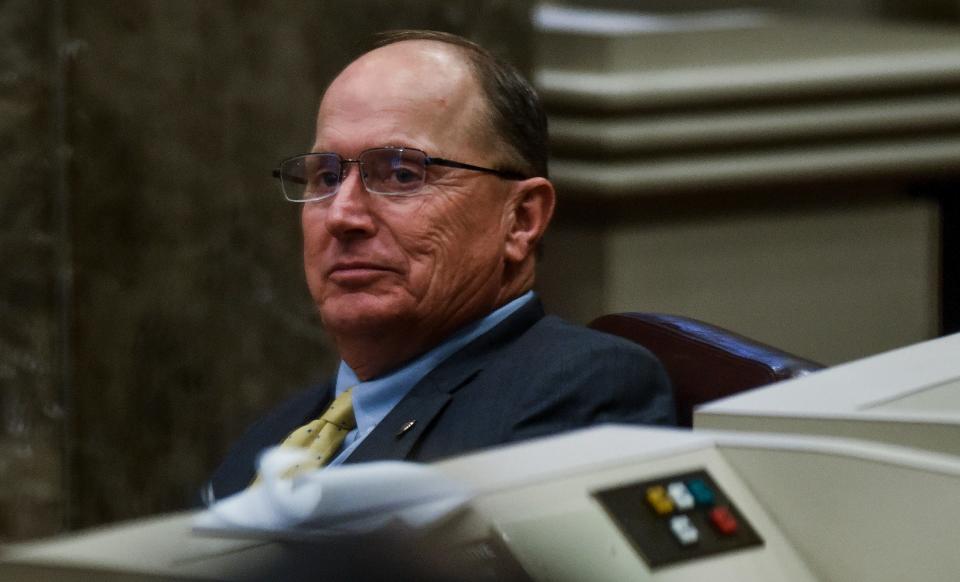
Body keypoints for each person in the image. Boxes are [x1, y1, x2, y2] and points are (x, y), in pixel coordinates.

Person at [206, 30, 674, 500]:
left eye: (402, 174)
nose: (342, 215)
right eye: (326, 176)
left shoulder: (581, 391)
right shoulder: (270, 440)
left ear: (521, 219)